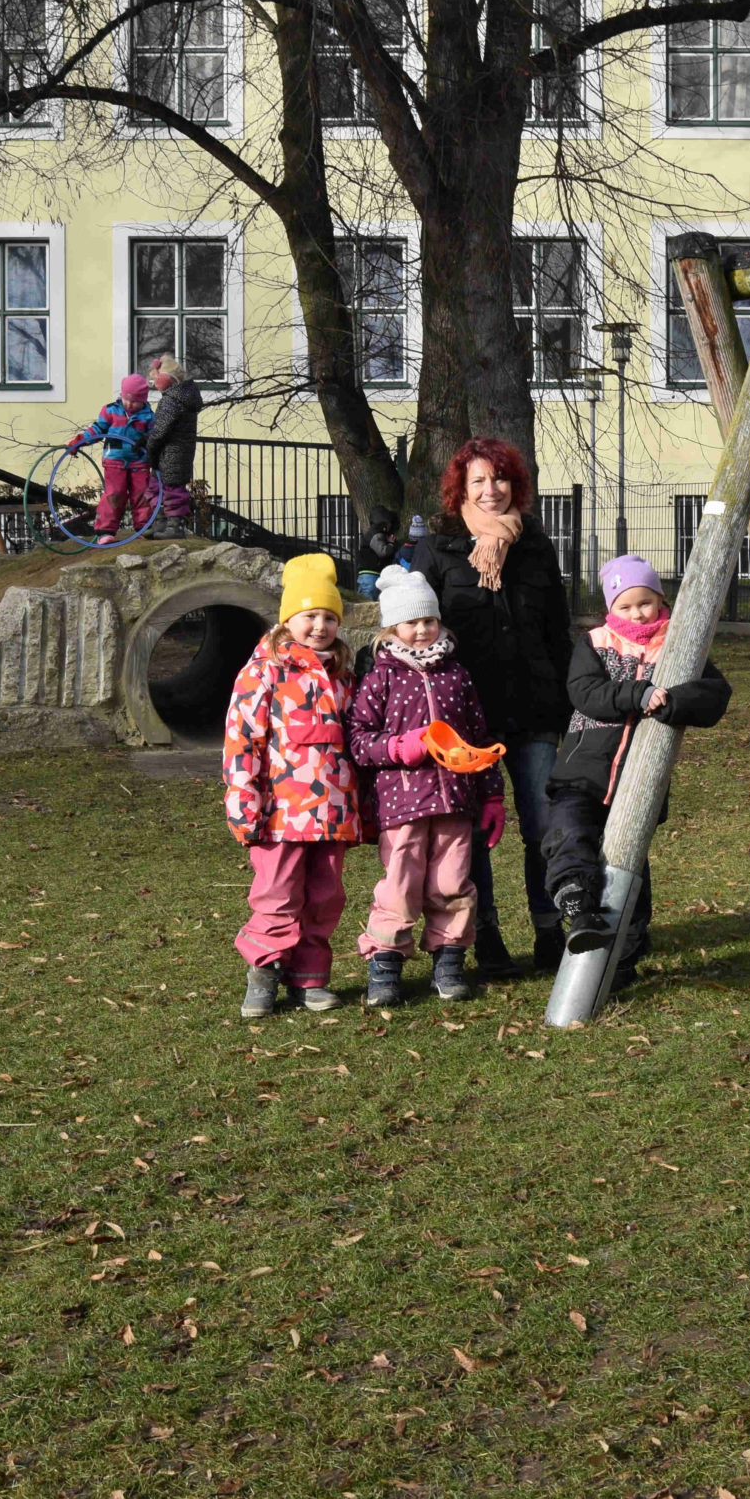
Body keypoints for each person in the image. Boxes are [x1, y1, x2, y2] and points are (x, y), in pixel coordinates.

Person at [415, 440, 577, 978]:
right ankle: (483, 934)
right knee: (472, 834)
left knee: (544, 826)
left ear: (516, 486)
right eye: (479, 481)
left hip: (534, 709)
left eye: (501, 480)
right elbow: (418, 633)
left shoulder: (536, 546)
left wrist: (574, 698)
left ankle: (550, 929)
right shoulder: (439, 548)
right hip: (465, 716)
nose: (491, 491)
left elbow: (557, 629)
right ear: (461, 488)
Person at [544, 554, 732, 984]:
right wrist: (637, 694)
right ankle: (575, 898)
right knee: (569, 831)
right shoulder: (596, 642)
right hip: (582, 770)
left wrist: (675, 704)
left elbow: (716, 694)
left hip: (640, 778)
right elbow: (584, 692)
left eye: (645, 602)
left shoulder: (680, 645)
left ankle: (626, 951)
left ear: (660, 599)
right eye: (626, 606)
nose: (636, 613)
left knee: (627, 862)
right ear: (611, 608)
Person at [348, 567, 506, 1007]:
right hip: (401, 805)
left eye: (428, 621)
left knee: (453, 883)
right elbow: (359, 741)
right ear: (392, 628)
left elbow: (478, 736)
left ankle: (449, 960)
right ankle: (385, 963)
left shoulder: (457, 675)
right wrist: (403, 747)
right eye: (411, 622)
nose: (421, 630)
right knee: (400, 886)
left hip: (457, 801)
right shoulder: (380, 677)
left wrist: (492, 794)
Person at [222, 554, 364, 1018]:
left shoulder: (343, 677)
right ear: (288, 620)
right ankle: (264, 974)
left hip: (331, 812)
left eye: (328, 616)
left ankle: (310, 977)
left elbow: (356, 741)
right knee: (277, 895)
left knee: (325, 897)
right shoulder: (264, 672)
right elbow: (242, 740)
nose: (320, 626)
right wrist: (245, 802)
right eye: (309, 616)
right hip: (279, 815)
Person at [71, 374, 157, 538]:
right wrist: (79, 441)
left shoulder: (148, 416)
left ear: (143, 401)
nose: (129, 404)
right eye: (126, 399)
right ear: (122, 395)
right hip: (114, 461)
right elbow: (97, 430)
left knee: (142, 493)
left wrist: (153, 451)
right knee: (114, 493)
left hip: (139, 462)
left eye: (135, 401)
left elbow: (154, 437)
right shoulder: (110, 411)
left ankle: (144, 527)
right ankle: (105, 531)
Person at [145, 357, 204, 539]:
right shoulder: (182, 397)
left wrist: (149, 446)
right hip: (176, 453)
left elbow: (160, 430)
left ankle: (174, 526)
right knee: (157, 486)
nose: (154, 382)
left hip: (171, 453)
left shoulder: (172, 400)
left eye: (156, 377)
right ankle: (161, 523)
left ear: (167, 377)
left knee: (172, 489)